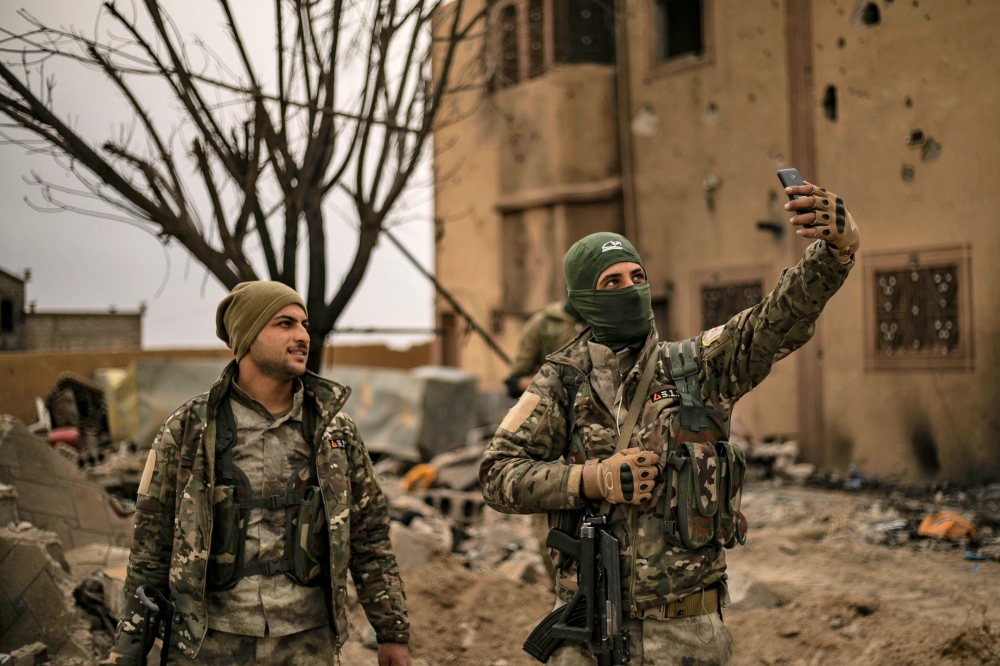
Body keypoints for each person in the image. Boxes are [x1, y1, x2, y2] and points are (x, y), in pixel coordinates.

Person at [479, 183, 860, 665]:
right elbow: (497, 474)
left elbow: (773, 320)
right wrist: (590, 479)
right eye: (611, 282)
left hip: (685, 636)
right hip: (586, 632)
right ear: (582, 297)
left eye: (637, 276)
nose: (630, 289)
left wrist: (836, 250)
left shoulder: (695, 368)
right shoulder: (562, 382)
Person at [106, 282, 411, 666]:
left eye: (303, 324)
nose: (302, 336)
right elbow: (150, 549)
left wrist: (393, 634)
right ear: (248, 337)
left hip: (307, 643)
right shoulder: (188, 430)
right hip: (207, 643)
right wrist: (128, 652)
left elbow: (370, 539)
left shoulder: (336, 430)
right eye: (284, 324)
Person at [505, 300, 585, 399]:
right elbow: (516, 380)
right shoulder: (543, 322)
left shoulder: (605, 323)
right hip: (553, 404)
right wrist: (544, 383)